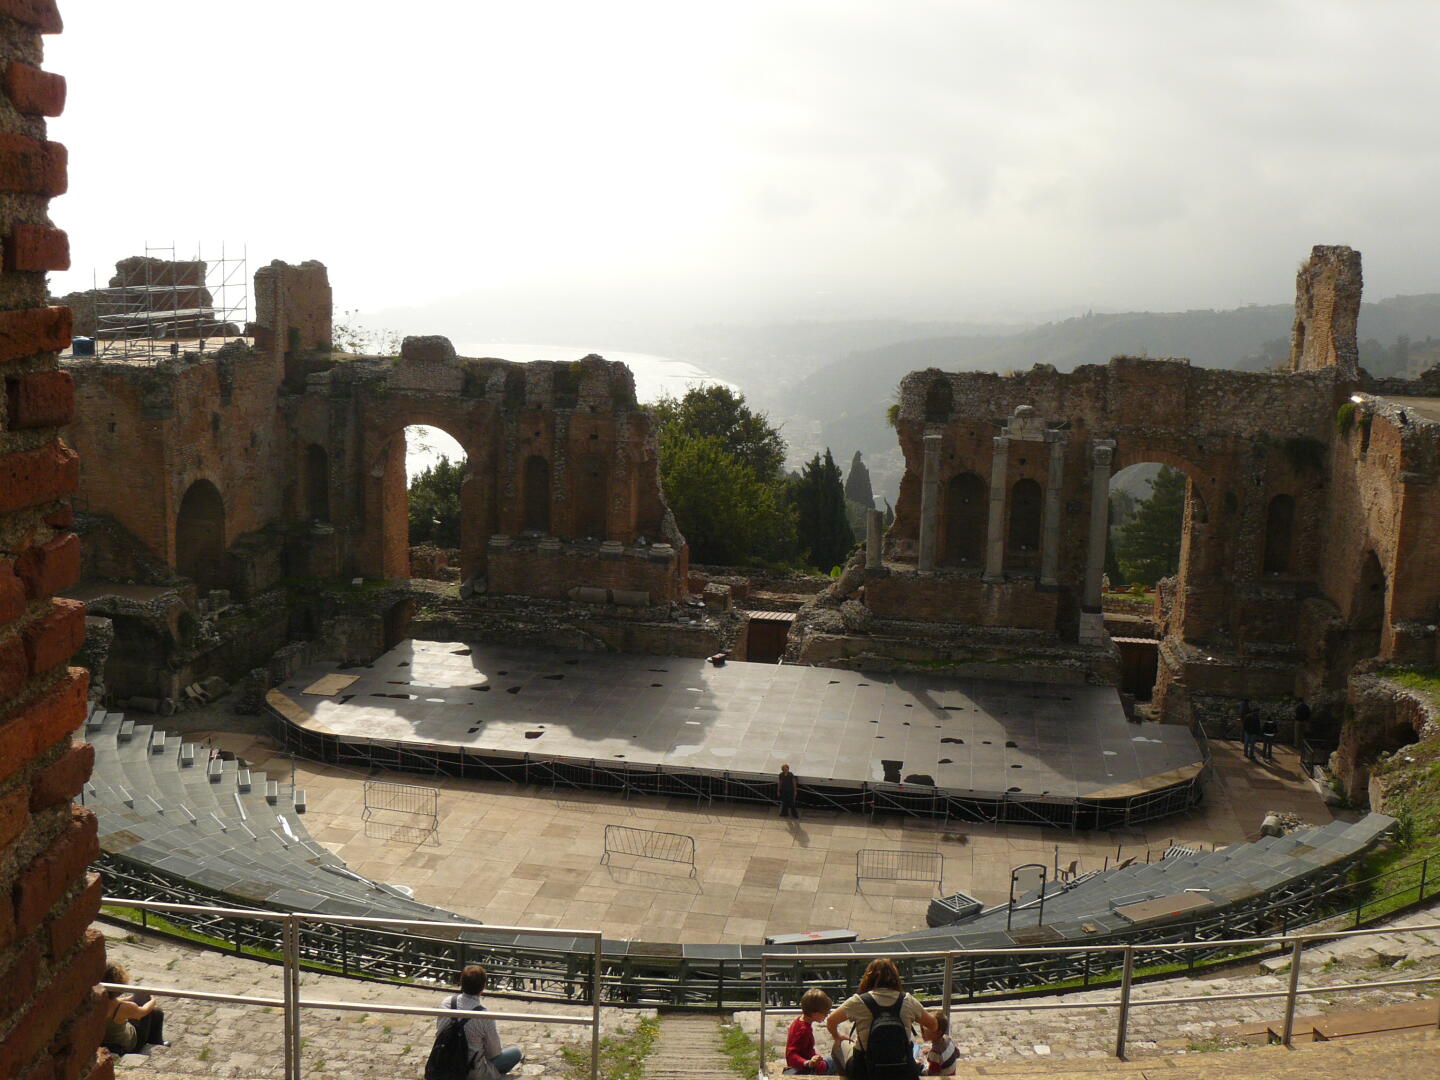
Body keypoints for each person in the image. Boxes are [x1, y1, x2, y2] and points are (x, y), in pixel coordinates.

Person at [826, 958, 936, 1079]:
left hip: (865, 1070)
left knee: (840, 1045)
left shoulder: (859, 1000)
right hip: (901, 1069)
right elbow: (933, 1025)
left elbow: (831, 1020)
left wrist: (837, 1036)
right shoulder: (907, 1000)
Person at [439, 965, 522, 1080]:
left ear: (461, 983)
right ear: (483, 987)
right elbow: (494, 1053)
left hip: (443, 1064)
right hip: (470, 1071)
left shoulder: (446, 1003)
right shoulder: (484, 1015)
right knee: (515, 1053)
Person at [101, 962, 166, 1054]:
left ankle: (156, 1042)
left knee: (148, 1005)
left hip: (107, 1040)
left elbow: (115, 1002)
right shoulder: (124, 1008)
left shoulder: (96, 1001)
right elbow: (143, 1011)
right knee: (156, 1012)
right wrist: (153, 1001)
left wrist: (131, 999)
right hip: (129, 1044)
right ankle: (157, 1043)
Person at [785, 988, 838, 1074]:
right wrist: (808, 1063)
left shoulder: (798, 1021)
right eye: (825, 1013)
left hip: (809, 1062)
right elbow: (791, 1055)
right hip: (808, 1069)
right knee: (836, 1062)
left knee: (830, 1059)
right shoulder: (803, 1030)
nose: (826, 1016)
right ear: (815, 1014)